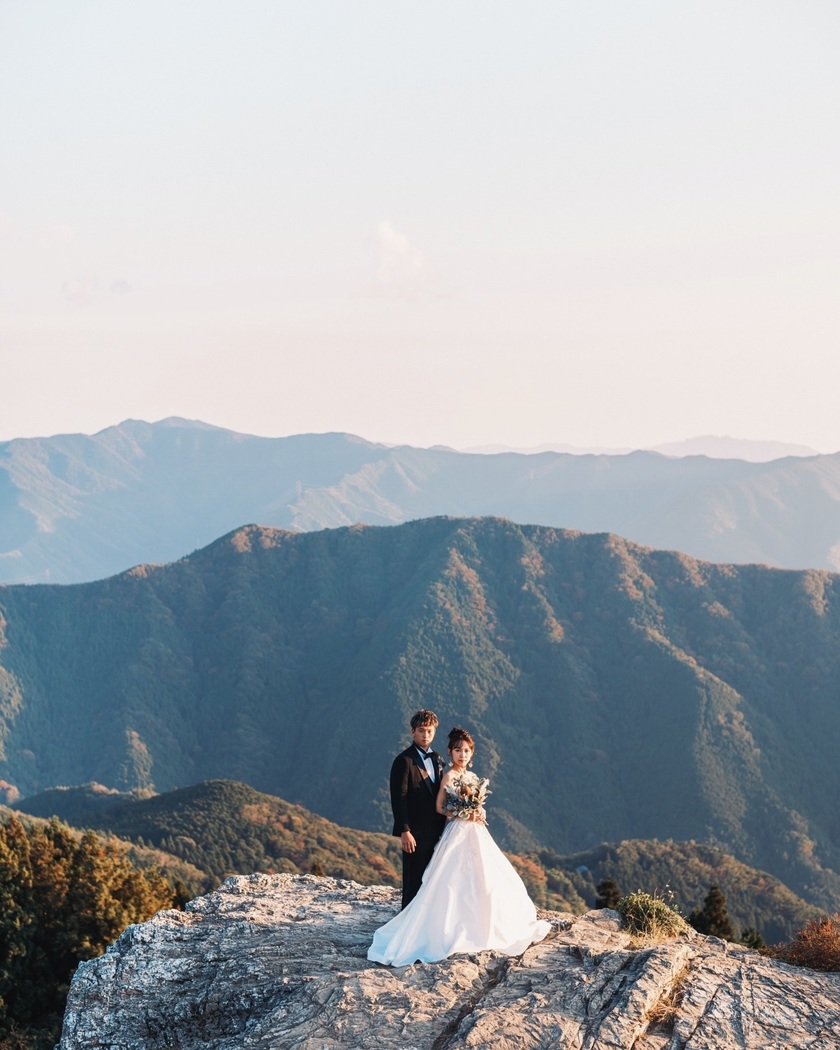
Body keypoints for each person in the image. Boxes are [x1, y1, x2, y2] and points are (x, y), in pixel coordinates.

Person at [369, 726, 551, 966]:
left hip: (476, 833)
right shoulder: (449, 776)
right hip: (456, 832)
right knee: (451, 881)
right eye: (457, 750)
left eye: (465, 751)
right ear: (450, 752)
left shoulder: (474, 778)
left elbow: (478, 804)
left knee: (484, 879)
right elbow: (439, 807)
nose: (461, 754)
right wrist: (464, 814)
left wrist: (479, 810)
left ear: (472, 753)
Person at [389, 709, 446, 909]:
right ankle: (406, 923)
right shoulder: (403, 761)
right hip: (415, 832)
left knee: (433, 880)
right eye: (421, 730)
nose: (425, 735)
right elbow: (399, 798)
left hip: (438, 831)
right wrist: (405, 831)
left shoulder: (437, 759)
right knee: (413, 880)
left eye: (429, 731)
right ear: (413, 731)